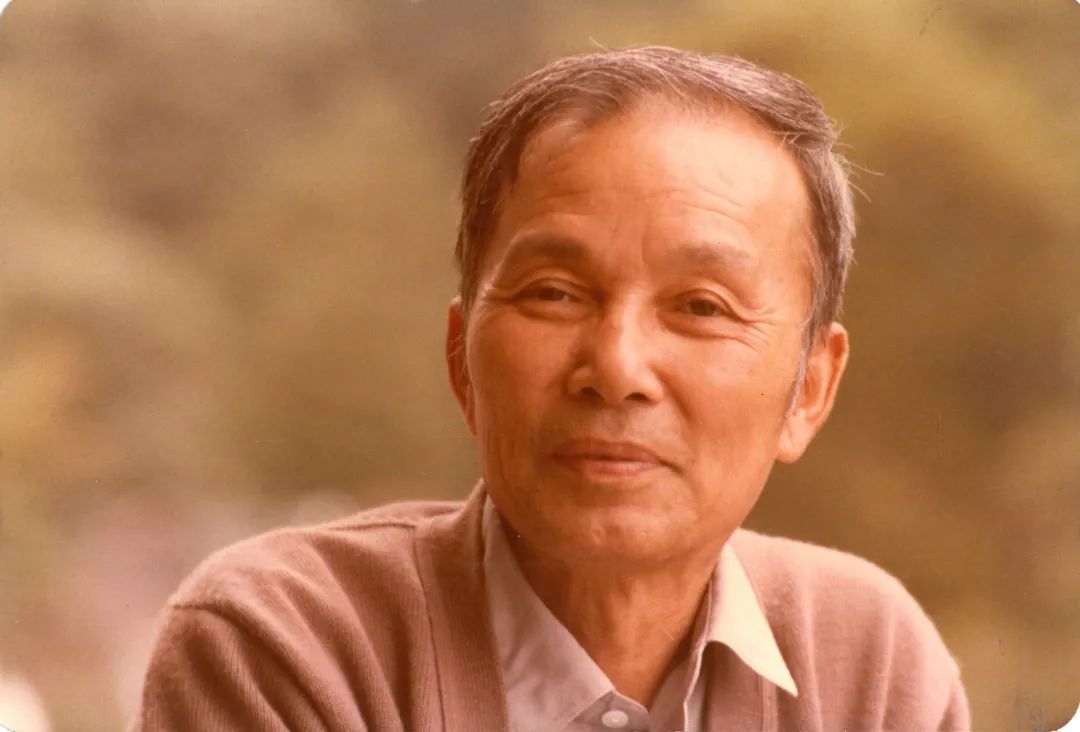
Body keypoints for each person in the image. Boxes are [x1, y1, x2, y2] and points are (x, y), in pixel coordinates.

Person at [133, 46, 970, 731]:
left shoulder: (871, 666)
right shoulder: (288, 644)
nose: (617, 368)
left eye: (701, 307)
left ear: (809, 389)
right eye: (555, 294)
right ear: (461, 359)